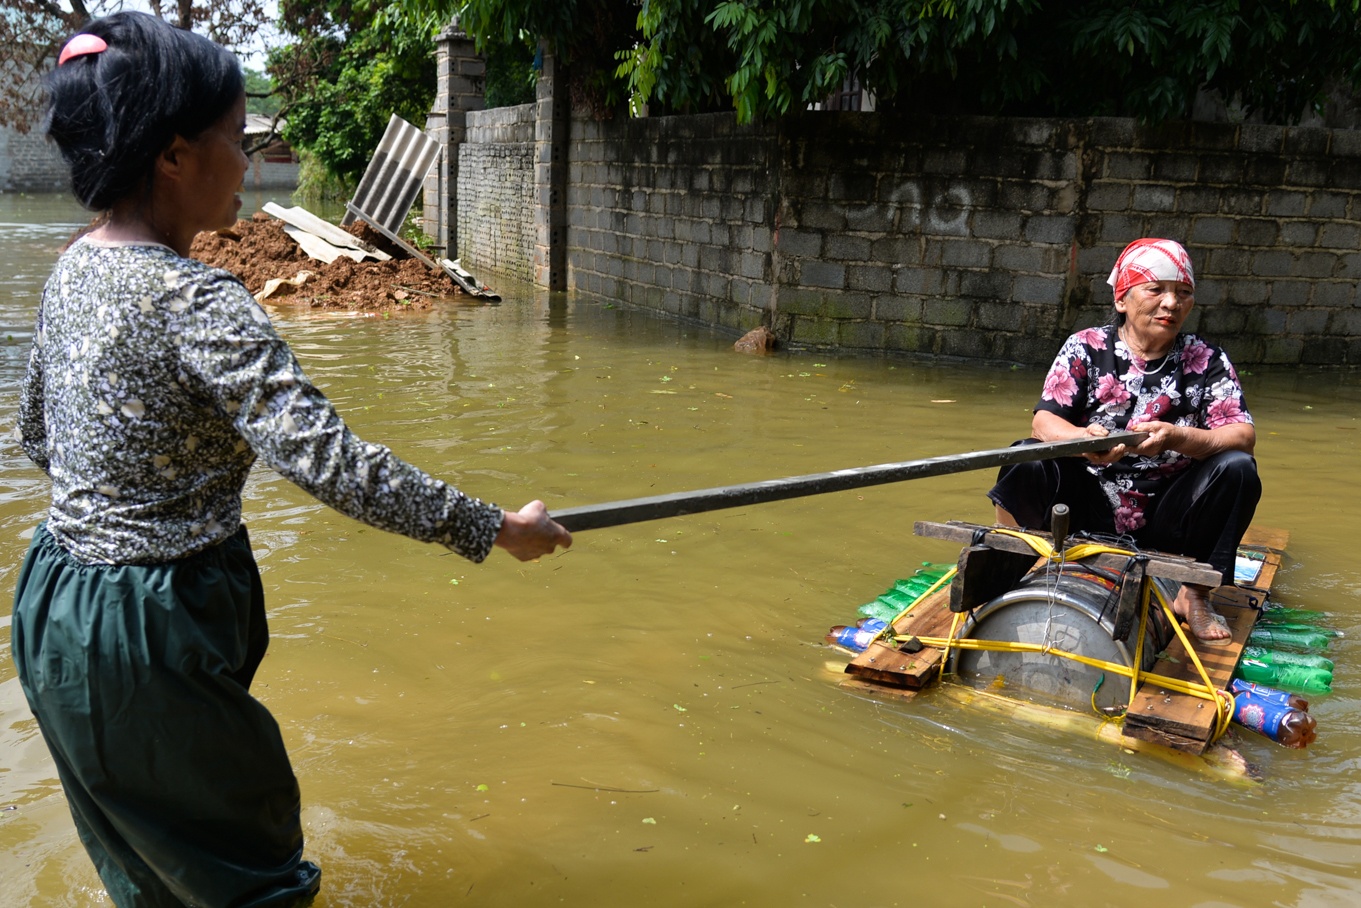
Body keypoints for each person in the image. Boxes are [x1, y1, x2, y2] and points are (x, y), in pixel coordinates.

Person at [11, 13, 571, 907]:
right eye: (239, 138)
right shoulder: (198, 301)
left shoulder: (73, 267)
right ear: (174, 156)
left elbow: (38, 437)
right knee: (250, 878)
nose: (252, 157)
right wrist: (496, 529)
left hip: (55, 608)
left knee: (154, 875)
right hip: (153, 627)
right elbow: (333, 465)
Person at [988, 238, 1260, 645]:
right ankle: (1009, 559)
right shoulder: (1087, 346)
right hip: (1087, 502)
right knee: (1026, 455)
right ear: (1122, 299)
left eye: (1183, 294)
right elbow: (1044, 421)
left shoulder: (1206, 358)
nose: (1171, 303)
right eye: (1156, 290)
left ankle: (1195, 594)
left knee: (1237, 467)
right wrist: (1082, 441)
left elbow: (1242, 434)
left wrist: (1179, 437)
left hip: (1170, 513)